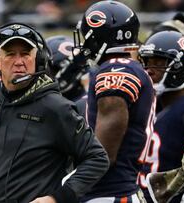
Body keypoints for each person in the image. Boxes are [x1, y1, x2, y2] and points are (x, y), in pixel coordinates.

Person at [0, 22, 109, 203]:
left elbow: (97, 158)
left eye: (26, 54)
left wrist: (56, 198)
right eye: (11, 54)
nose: (19, 61)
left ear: (36, 60)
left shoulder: (57, 108)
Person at [76, 1, 156, 202]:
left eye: (88, 35)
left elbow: (103, 155)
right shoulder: (128, 67)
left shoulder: (115, 69)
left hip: (107, 194)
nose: (85, 42)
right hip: (118, 191)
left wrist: (63, 190)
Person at [137, 31, 184, 203]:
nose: (149, 71)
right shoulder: (148, 105)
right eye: (147, 63)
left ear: (180, 67)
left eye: (158, 63)